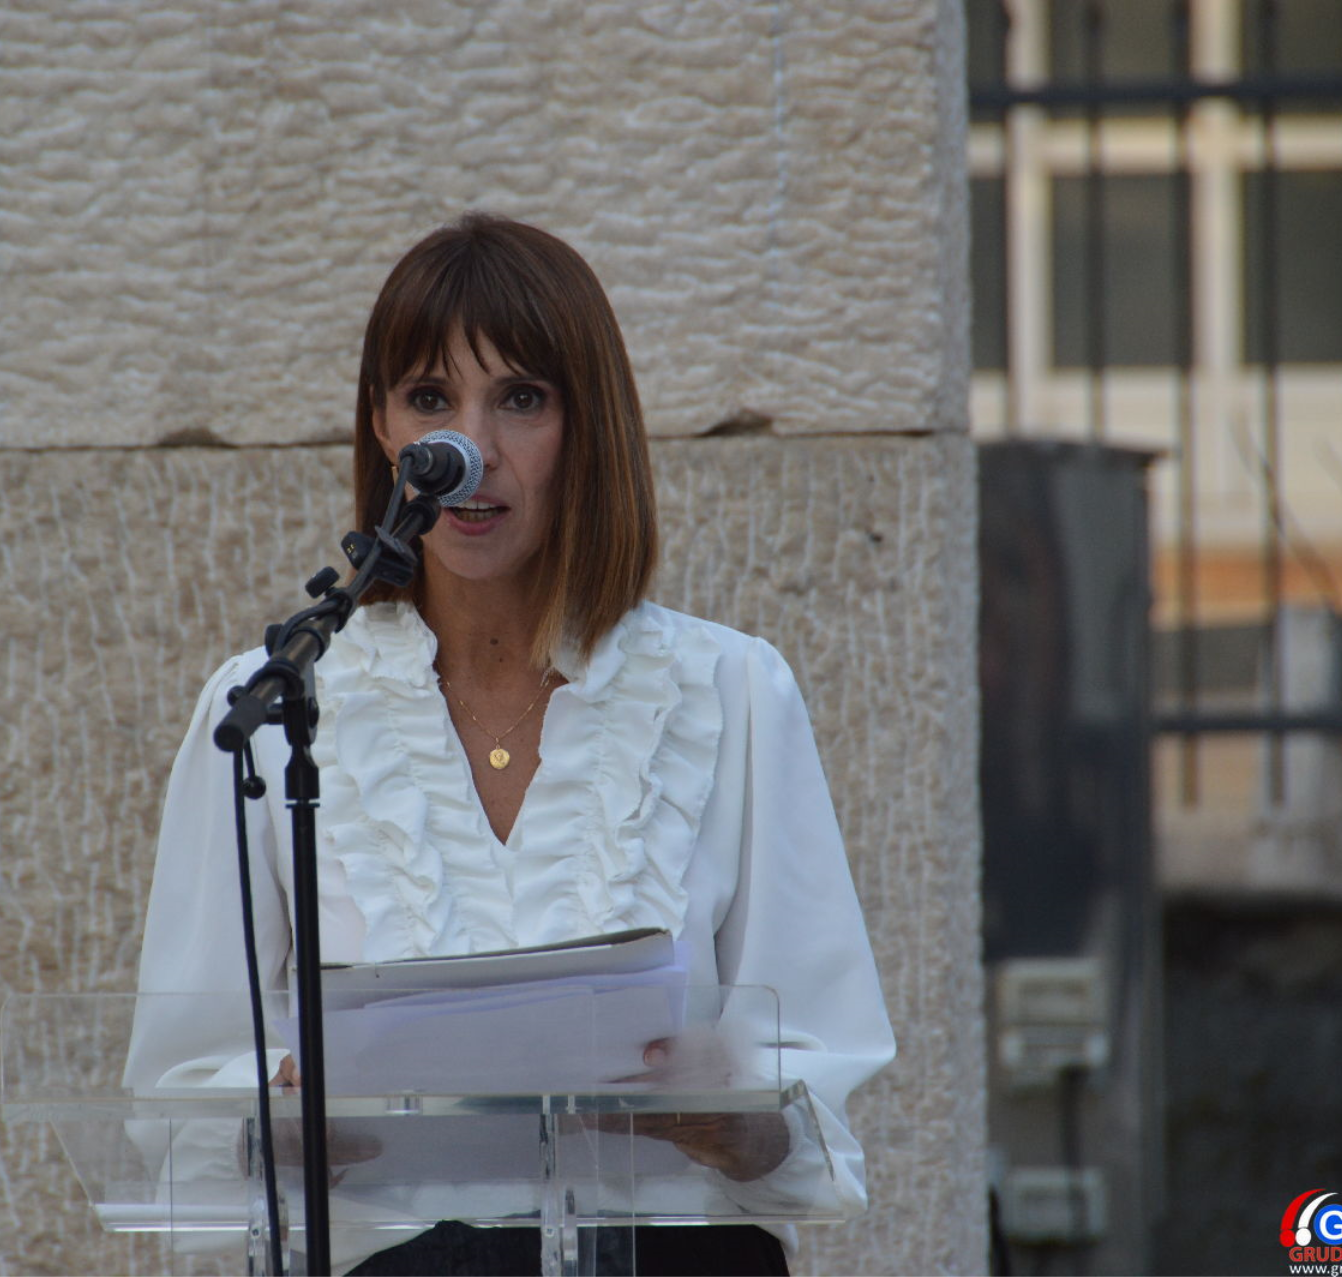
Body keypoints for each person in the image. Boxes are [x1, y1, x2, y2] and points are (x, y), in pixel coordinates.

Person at [126, 213, 895, 1276]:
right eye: (430, 399)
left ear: (589, 426)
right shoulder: (273, 703)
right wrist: (277, 1126)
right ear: (384, 428)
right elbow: (186, 1082)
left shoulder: (729, 689)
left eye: (521, 399)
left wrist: (741, 1116)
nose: (471, 450)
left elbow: (817, 1074)